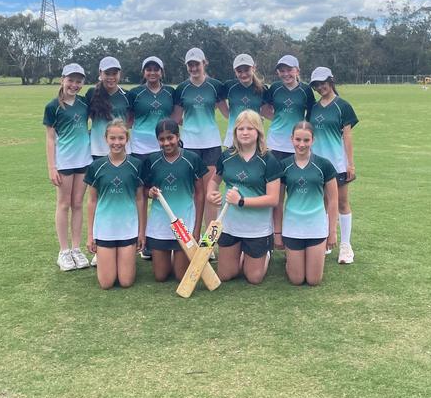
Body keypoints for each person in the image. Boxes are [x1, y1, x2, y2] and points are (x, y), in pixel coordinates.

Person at [207, 110, 282, 285]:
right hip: (230, 226)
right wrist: (211, 194)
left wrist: (241, 201)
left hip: (257, 228)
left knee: (254, 278)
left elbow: (273, 199)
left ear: (258, 132)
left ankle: (266, 253)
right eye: (241, 129)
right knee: (225, 275)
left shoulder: (268, 159)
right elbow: (214, 181)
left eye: (250, 128)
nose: (245, 132)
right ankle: (241, 254)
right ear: (235, 132)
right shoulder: (227, 156)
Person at [143, 119, 207, 282]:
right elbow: (143, 190)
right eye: (162, 139)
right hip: (160, 224)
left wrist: (197, 229)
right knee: (160, 276)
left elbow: (200, 194)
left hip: (184, 225)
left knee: (180, 276)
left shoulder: (192, 159)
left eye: (170, 138)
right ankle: (168, 257)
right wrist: (149, 192)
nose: (166, 143)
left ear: (178, 137)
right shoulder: (152, 160)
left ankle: (179, 257)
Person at [43, 63, 92, 271]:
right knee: (64, 204)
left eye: (78, 81)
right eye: (70, 80)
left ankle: (76, 249)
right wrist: (52, 167)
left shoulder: (84, 103)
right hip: (64, 162)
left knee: (78, 204)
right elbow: (50, 138)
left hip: (84, 161)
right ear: (62, 79)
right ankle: (63, 251)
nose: (74, 85)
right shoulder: (53, 106)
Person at [85, 120, 145, 289]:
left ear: (127, 139)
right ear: (106, 139)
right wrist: (90, 235)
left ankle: (125, 259)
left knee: (126, 282)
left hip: (128, 229)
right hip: (105, 229)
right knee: (106, 283)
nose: (116, 142)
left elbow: (140, 199)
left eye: (121, 138)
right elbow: (92, 201)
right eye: (112, 138)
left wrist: (141, 232)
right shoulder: (96, 166)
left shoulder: (136, 165)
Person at [276, 121, 338, 286]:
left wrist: (332, 231)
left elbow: (333, 200)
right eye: (298, 139)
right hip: (292, 226)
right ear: (291, 139)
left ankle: (304, 259)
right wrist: (278, 232)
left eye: (306, 140)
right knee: (296, 280)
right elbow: (278, 202)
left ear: (313, 140)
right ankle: (291, 261)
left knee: (313, 280)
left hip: (316, 227)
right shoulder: (284, 165)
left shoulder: (324, 165)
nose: (301, 144)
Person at [309, 67, 359, 263]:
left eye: (323, 83)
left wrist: (350, 164)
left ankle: (345, 246)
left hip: (337, 164)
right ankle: (325, 241)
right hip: (316, 164)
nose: (320, 87)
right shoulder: (313, 108)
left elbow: (347, 136)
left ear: (331, 81)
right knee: (321, 203)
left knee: (341, 203)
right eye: (316, 85)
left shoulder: (342, 106)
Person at [127, 56, 175, 261]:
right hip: (140, 149)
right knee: (141, 194)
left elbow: (175, 118)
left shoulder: (170, 92)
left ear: (162, 72)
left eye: (156, 69)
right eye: (149, 69)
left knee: (163, 192)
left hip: (163, 148)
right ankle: (143, 240)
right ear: (143, 72)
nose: (152, 72)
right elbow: (129, 119)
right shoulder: (135, 93)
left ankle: (166, 237)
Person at [172, 48, 227, 223]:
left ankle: (209, 237)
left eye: (197, 64)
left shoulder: (215, 86)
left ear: (204, 63)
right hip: (189, 145)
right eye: (190, 65)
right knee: (194, 191)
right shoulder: (182, 89)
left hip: (211, 144)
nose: (194, 68)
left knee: (211, 192)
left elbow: (227, 114)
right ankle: (192, 233)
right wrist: (189, 125)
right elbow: (176, 118)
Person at [263, 55, 315, 160]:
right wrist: (279, 119)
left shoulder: (306, 90)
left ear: (297, 71)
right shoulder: (274, 88)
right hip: (275, 142)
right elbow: (264, 110)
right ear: (278, 73)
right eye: (282, 71)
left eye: (289, 70)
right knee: (274, 170)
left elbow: (311, 115)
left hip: (298, 142)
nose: (286, 74)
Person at [86, 56, 130, 158]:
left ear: (119, 74)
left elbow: (130, 120)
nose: (111, 77)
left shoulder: (127, 95)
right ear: (100, 73)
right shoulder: (91, 93)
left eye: (114, 73)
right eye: (107, 73)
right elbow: (85, 117)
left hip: (121, 150)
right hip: (97, 150)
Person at [223, 54, 268, 147]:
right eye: (239, 71)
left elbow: (265, 111)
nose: (243, 74)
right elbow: (217, 102)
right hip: (233, 137)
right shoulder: (229, 86)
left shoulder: (262, 89)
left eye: (247, 70)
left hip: (254, 136)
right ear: (235, 71)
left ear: (253, 68)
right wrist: (231, 117)